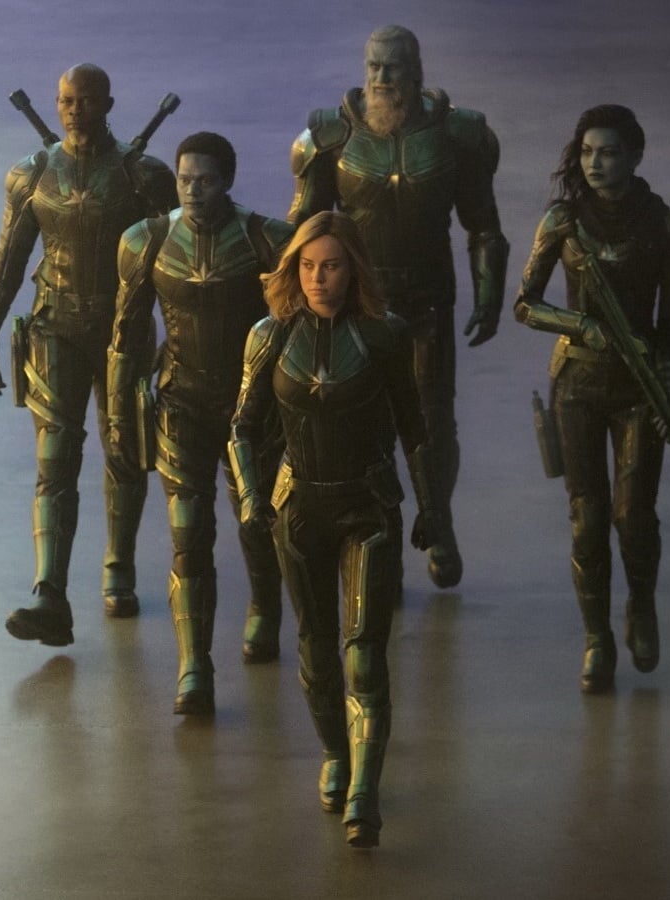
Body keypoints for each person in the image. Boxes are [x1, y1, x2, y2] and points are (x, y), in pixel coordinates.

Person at [228, 211, 439, 848]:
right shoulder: (268, 335)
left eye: (332, 266)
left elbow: (415, 427)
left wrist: (431, 507)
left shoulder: (384, 334)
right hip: (297, 509)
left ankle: (364, 795)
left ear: (354, 269)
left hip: (366, 507)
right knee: (317, 650)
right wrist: (250, 495)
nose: (319, 279)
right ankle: (336, 756)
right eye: (308, 266)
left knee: (364, 652)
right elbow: (242, 428)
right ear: (294, 269)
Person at [288, 24, 508, 588]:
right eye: (373, 67)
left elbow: (483, 226)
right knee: (360, 420)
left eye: (392, 67)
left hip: (428, 298)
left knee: (433, 419)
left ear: (415, 71)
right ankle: (375, 540)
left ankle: (438, 520)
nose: (381, 78)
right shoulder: (331, 135)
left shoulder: (457, 135)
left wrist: (490, 294)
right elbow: (305, 229)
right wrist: (293, 296)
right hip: (356, 299)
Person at [0, 63, 177, 644]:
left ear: (107, 104)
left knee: (125, 450)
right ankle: (49, 592)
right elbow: (7, 262)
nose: (73, 110)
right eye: (66, 100)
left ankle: (118, 568)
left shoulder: (145, 177)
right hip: (54, 329)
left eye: (85, 101)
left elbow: (173, 265)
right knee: (55, 461)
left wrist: (181, 340)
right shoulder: (32, 175)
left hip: (122, 332)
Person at [107, 132, 293, 715]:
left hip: (249, 411)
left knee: (256, 521)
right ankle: (194, 666)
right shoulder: (147, 240)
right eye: (184, 179)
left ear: (227, 181)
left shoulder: (267, 239)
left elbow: (297, 327)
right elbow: (125, 335)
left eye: (204, 180)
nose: (192, 190)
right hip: (180, 403)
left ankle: (265, 606)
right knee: (188, 535)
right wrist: (118, 414)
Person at [513, 105, 670, 693]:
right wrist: (579, 326)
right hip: (578, 387)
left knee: (633, 517)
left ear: (635, 156)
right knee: (587, 520)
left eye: (609, 152)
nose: (595, 163)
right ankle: (597, 639)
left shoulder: (666, 227)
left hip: (639, 389)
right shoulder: (562, 222)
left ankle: (641, 605)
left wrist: (668, 396)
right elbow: (525, 304)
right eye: (587, 152)